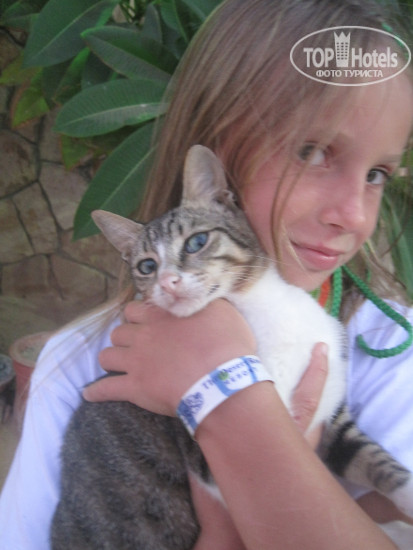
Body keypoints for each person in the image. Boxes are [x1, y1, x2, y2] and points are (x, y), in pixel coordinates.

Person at [1, 0, 413, 548]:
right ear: (218, 175)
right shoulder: (74, 364)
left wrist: (226, 402)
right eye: (312, 151)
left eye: (378, 173)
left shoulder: (395, 356)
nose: (354, 215)